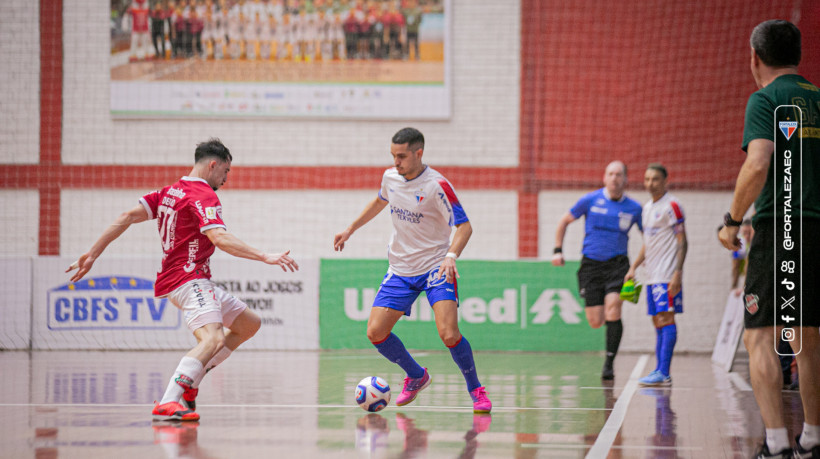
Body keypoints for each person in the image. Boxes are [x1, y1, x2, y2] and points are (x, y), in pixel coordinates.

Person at [66, 139, 299, 422]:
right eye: (225, 171)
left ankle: (191, 382)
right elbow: (219, 238)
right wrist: (265, 256)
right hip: (189, 280)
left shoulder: (169, 192)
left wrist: (93, 253)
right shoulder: (203, 195)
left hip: (186, 280)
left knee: (249, 324)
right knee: (212, 339)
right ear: (213, 165)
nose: (225, 179)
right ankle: (168, 400)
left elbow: (126, 216)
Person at [333, 127, 492, 413]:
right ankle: (417, 376)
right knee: (376, 332)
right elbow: (380, 201)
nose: (396, 162)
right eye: (393, 155)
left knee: (449, 334)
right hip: (401, 268)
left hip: (435, 266)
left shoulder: (437, 185)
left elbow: (464, 226)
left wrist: (451, 255)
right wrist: (350, 229)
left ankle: (476, 390)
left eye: (402, 156)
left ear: (419, 153)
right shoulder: (390, 177)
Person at [718, 20, 820, 458]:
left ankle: (776, 445)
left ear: (755, 57)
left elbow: (757, 164)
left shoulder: (765, 99)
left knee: (760, 337)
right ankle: (813, 439)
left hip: (782, 227)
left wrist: (731, 219)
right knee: (809, 337)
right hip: (817, 227)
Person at [552, 161, 642, 380]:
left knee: (614, 311)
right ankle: (608, 349)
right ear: (604, 178)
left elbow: (649, 237)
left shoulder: (635, 208)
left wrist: (637, 265)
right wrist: (557, 250)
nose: (614, 178)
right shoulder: (590, 200)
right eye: (610, 174)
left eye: (619, 174)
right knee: (595, 321)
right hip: (591, 266)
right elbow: (564, 221)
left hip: (618, 265)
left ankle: (609, 363)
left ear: (625, 179)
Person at [624, 164, 687, 386]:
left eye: (655, 179)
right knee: (656, 321)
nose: (650, 183)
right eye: (647, 179)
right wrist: (634, 267)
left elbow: (683, 241)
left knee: (665, 318)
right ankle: (659, 370)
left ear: (665, 181)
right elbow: (647, 243)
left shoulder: (673, 205)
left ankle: (664, 372)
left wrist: (677, 273)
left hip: (666, 274)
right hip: (651, 275)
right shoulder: (647, 207)